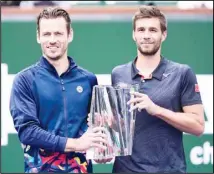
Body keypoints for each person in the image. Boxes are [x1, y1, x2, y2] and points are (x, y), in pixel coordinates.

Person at [9, 7, 108, 173]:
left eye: (58, 33)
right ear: (38, 37)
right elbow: (28, 132)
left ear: (70, 35)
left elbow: (95, 126)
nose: (52, 40)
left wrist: (102, 150)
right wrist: (76, 144)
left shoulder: (89, 80)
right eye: (47, 34)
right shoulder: (24, 80)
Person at [111, 5, 205, 173]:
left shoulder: (182, 73)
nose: (146, 36)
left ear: (164, 34)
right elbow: (116, 128)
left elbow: (198, 126)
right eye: (141, 30)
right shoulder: (118, 74)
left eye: (153, 30)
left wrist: (156, 109)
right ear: (134, 34)